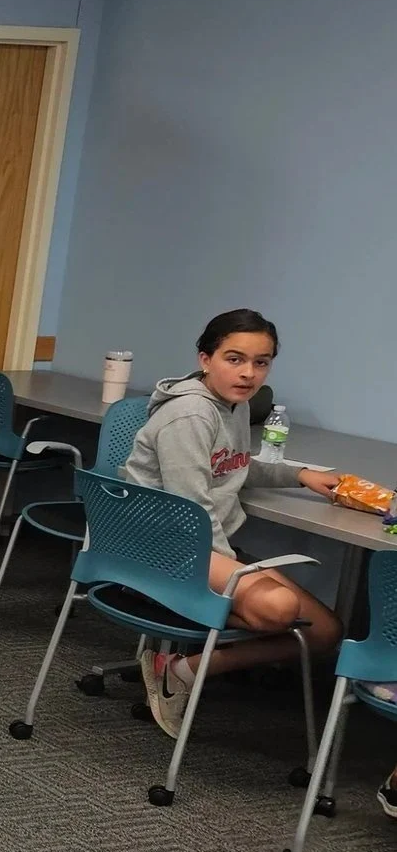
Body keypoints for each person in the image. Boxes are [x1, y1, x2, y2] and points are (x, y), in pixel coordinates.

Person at [120, 308, 345, 737]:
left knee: (325, 632)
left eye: (261, 362)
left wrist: (299, 475)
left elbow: (233, 466)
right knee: (278, 608)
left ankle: (183, 668)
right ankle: (189, 645)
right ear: (206, 358)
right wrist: (233, 573)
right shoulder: (190, 414)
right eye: (235, 358)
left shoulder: (234, 405)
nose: (248, 373)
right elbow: (192, 509)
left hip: (200, 543)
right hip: (166, 544)